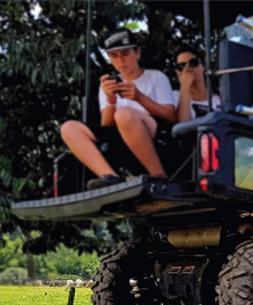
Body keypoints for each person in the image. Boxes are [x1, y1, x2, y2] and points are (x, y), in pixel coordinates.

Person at [60, 29, 176, 190]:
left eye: (125, 54)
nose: (121, 61)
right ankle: (110, 177)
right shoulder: (108, 84)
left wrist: (139, 97)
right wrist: (111, 99)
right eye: (114, 56)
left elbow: (170, 116)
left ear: (137, 53)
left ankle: (158, 175)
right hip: (119, 136)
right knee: (69, 128)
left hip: (152, 133)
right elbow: (106, 124)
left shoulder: (156, 77)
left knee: (124, 115)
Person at [173, 46, 221, 123]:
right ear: (178, 73)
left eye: (193, 63)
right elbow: (183, 126)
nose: (188, 68)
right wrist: (185, 86)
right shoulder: (174, 97)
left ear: (203, 66)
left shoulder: (222, 97)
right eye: (181, 66)